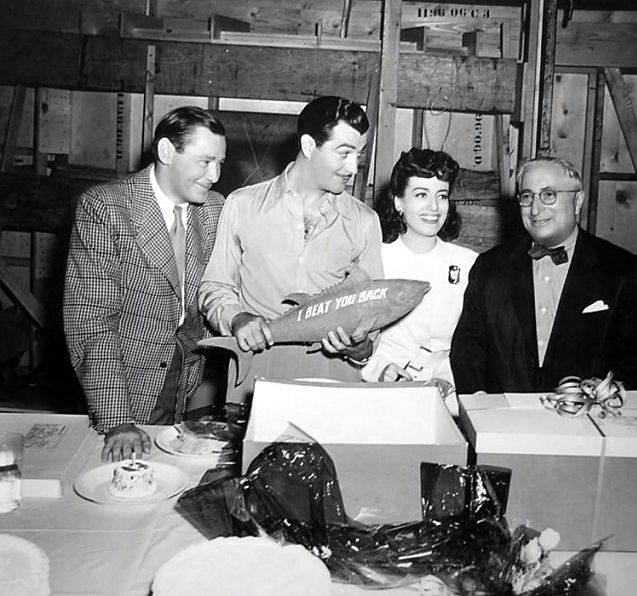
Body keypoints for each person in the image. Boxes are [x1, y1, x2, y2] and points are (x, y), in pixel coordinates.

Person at [63, 106, 227, 461]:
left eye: (220, 164)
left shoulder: (214, 208)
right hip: (122, 383)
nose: (214, 175)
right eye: (205, 162)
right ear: (167, 151)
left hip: (186, 381)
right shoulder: (105, 207)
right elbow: (90, 321)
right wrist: (118, 420)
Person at [198, 96, 382, 399]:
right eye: (344, 153)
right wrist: (237, 318)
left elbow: (373, 309)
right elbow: (215, 286)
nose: (354, 168)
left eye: (359, 155)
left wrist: (362, 346)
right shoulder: (243, 205)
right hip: (253, 381)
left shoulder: (365, 222)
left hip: (334, 385)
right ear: (309, 146)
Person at [450, 156, 637, 395]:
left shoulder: (622, 270)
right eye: (527, 196)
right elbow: (467, 345)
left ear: (577, 201)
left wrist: (612, 388)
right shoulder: (489, 267)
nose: (536, 209)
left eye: (548, 195)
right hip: (506, 420)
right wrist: (478, 400)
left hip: (587, 420)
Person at [361, 148, 477, 412]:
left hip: (450, 397)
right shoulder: (377, 261)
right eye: (421, 195)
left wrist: (449, 377)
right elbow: (357, 341)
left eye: (442, 196)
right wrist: (381, 371)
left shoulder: (469, 264)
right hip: (386, 395)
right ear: (398, 202)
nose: (434, 208)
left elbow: (476, 341)